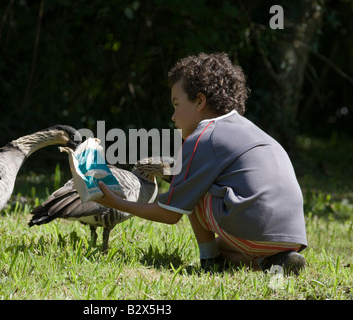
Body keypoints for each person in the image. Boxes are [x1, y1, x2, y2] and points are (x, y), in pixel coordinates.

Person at [95, 52, 307, 275]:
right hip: (291, 236)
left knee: (191, 188)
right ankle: (274, 263)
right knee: (225, 250)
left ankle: (209, 262)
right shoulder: (253, 130)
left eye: (176, 105)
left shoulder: (203, 136)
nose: (173, 116)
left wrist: (116, 202)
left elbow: (170, 214)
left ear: (200, 101)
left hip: (251, 229)